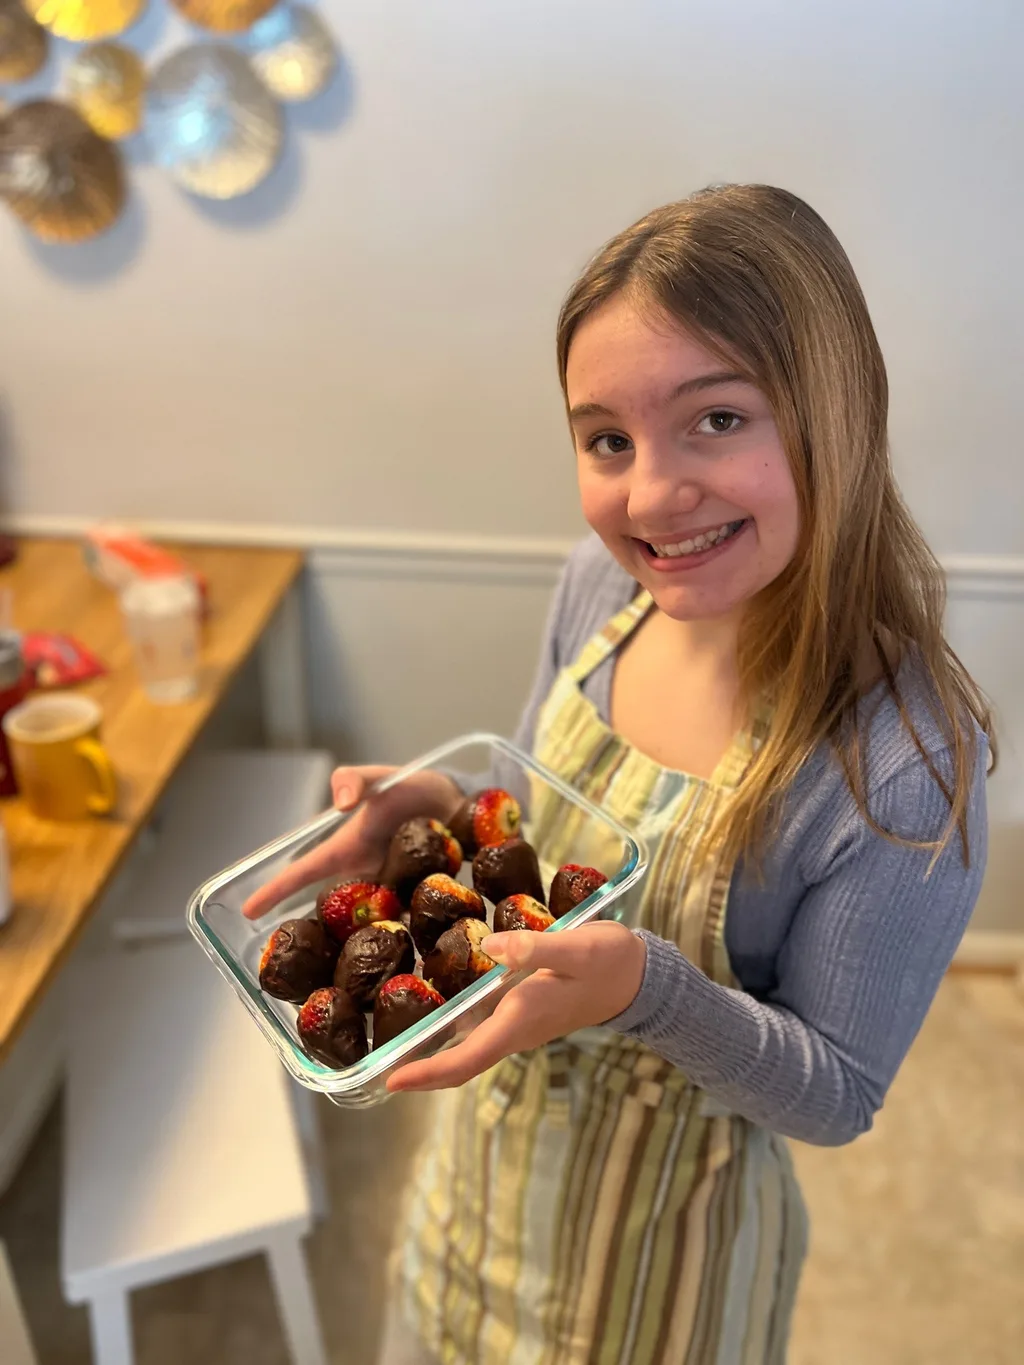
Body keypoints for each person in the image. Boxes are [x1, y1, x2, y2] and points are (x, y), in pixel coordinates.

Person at [244, 184, 993, 1365]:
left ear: (833, 413)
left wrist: (650, 989)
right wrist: (441, 825)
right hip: (481, 1178)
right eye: (607, 440)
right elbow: (544, 840)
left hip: (659, 1258)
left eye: (716, 421)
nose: (649, 496)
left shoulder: (897, 764)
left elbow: (837, 1091)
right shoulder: (600, 593)